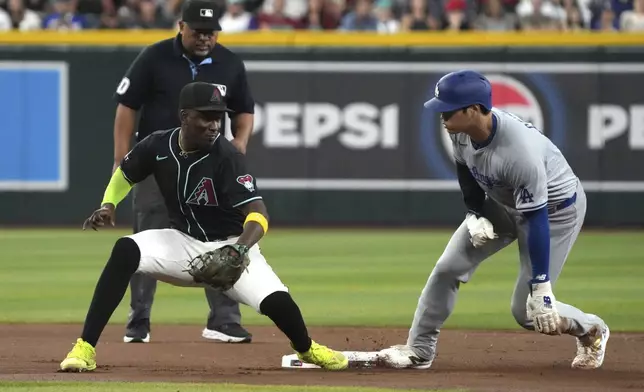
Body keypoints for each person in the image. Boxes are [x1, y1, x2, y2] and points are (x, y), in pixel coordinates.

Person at [59, 82, 348, 373]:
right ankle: (85, 347)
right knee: (125, 249)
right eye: (206, 117)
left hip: (232, 246)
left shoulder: (228, 156)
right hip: (182, 243)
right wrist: (109, 204)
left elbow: (258, 213)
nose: (214, 125)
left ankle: (307, 349)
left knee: (278, 303)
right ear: (184, 117)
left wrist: (239, 250)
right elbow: (125, 174)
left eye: (217, 118)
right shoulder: (158, 145)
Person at [377, 70, 610, 370]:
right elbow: (466, 173)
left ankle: (592, 329)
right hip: (504, 203)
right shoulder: (459, 131)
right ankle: (419, 350)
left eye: (448, 109)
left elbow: (535, 217)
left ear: (473, 110)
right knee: (447, 268)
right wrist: (474, 213)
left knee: (527, 311)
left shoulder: (518, 153)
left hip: (555, 214)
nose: (442, 115)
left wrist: (541, 287)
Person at [112, 0, 254, 344]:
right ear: (181, 26)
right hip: (158, 162)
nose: (205, 37)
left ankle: (223, 320)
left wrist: (240, 144)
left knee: (222, 238)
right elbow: (127, 107)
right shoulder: (155, 57)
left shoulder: (230, 63)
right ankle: (139, 320)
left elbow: (244, 110)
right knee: (147, 239)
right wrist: (122, 158)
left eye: (211, 31)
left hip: (210, 167)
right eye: (198, 31)